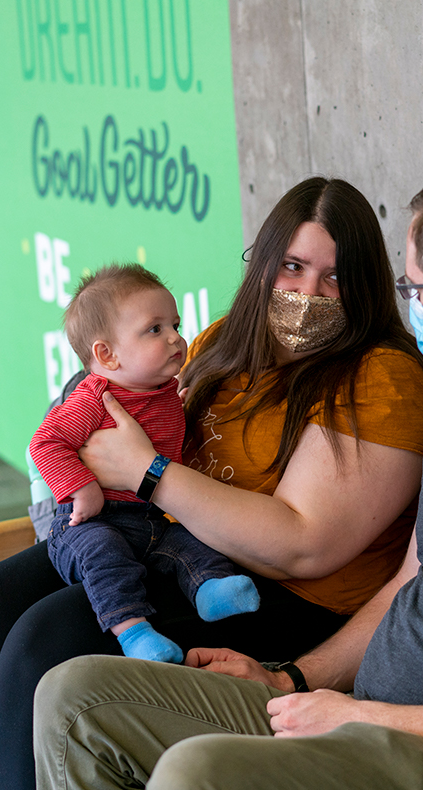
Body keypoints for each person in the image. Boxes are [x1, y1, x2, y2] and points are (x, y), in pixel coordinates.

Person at [32, 164, 423, 790]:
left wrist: (360, 716)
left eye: (414, 288)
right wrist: (292, 680)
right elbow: (408, 585)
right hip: (364, 718)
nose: (410, 306)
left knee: (192, 777)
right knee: (75, 703)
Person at [0, 176, 423, 790]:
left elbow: (306, 544)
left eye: (334, 276)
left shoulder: (383, 376)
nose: (308, 292)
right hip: (165, 541)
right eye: (293, 267)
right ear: (263, 264)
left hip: (288, 596)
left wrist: (147, 472)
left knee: (44, 647)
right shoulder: (225, 340)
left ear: (366, 284)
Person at [29, 264, 260, 664]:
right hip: (91, 522)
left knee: (192, 545)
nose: (176, 337)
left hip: (148, 518)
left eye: (175, 324)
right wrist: (81, 487)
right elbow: (45, 443)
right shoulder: (94, 398)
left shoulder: (166, 394)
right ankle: (134, 632)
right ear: (107, 354)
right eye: (155, 330)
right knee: (105, 559)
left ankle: (212, 590)